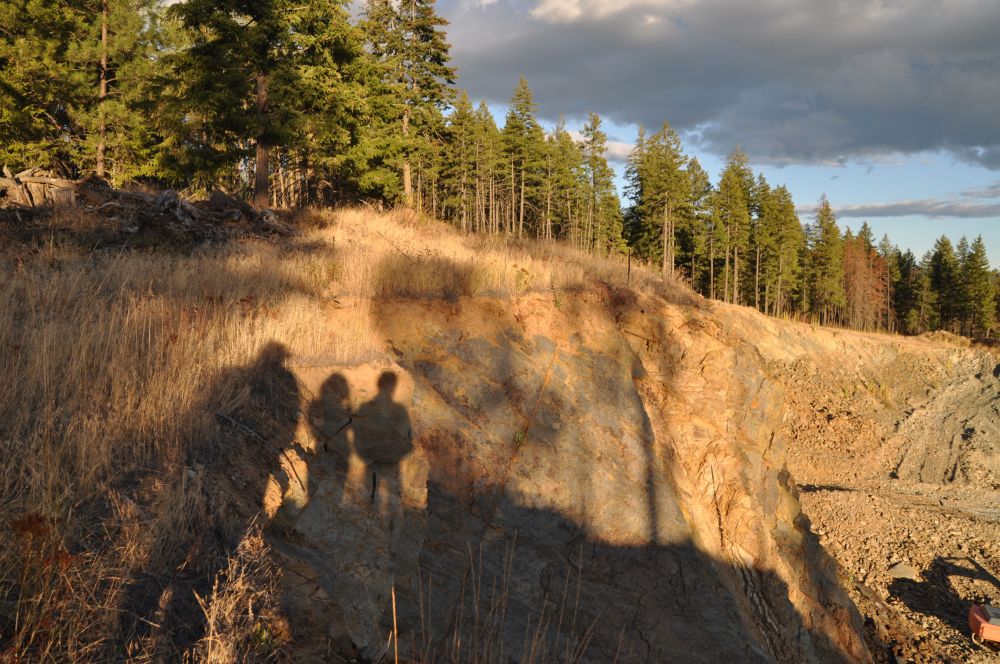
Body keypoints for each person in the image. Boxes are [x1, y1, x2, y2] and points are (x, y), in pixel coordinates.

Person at [353, 371, 412, 516]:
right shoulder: (397, 409)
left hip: (379, 455)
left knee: (382, 488)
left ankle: (374, 509)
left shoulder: (397, 409)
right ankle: (376, 510)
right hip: (378, 455)